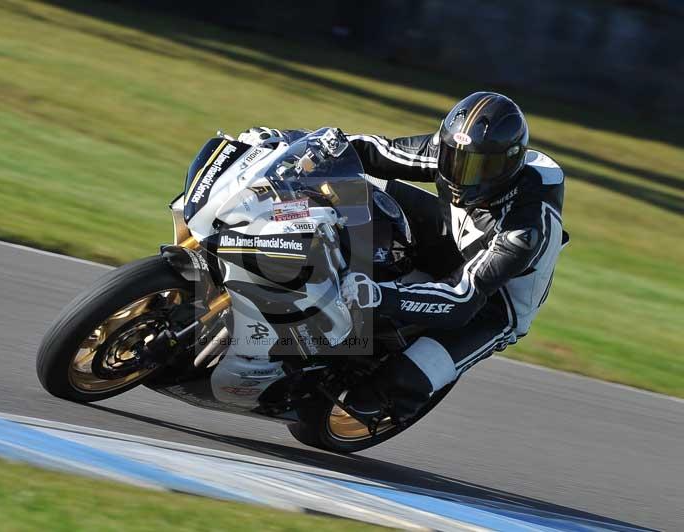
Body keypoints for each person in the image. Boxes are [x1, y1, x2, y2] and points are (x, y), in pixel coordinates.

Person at [237, 91, 567, 421]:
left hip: (493, 299)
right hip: (452, 231)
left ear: (509, 166)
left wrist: (378, 294)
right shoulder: (449, 154)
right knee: (352, 190)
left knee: (392, 388)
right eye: (455, 159)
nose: (462, 175)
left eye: (481, 168)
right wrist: (289, 143)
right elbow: (374, 151)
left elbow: (463, 297)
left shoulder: (523, 230)